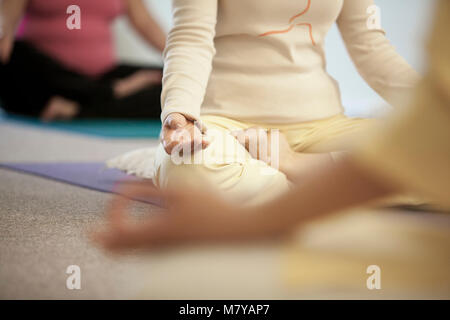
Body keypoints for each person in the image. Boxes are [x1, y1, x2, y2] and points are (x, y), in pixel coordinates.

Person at [92, 0, 449, 250]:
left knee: (436, 154)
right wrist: (179, 115)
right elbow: (189, 37)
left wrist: (439, 119)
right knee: (187, 164)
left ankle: (301, 173)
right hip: (225, 122)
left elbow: (372, 47)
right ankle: (329, 192)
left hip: (321, 126)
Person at [0, 0, 166, 120]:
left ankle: (78, 110)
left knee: (171, 84)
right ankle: (112, 92)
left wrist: (182, 57)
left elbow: (144, 22)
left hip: (102, 73)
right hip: (45, 79)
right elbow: (5, 23)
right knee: (17, 54)